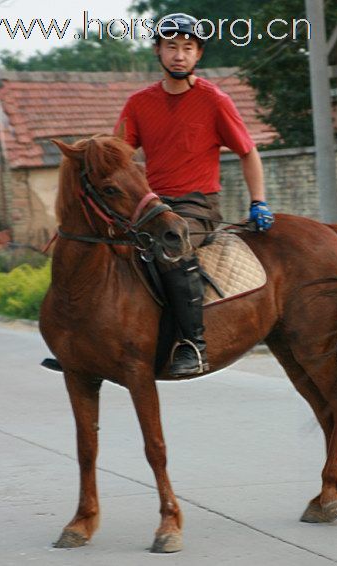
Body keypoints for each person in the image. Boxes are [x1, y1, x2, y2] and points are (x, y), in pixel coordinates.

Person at [115, 13, 274, 377]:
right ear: (158, 51)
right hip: (151, 204)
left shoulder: (214, 101)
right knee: (102, 247)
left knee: (173, 245)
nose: (179, 55)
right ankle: (91, 340)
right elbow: (119, 155)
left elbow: (248, 152)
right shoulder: (139, 103)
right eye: (171, 47)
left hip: (197, 204)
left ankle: (191, 343)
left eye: (187, 48)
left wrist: (259, 201)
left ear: (198, 55)